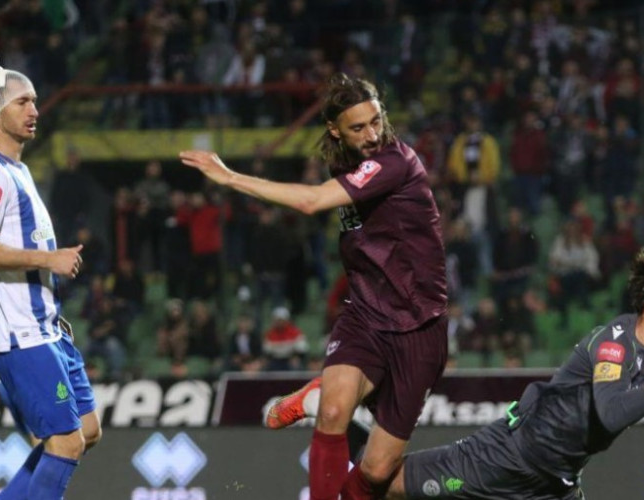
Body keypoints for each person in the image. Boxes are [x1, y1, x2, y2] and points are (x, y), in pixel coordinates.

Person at [179, 72, 448, 500]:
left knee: (376, 474)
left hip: (419, 326)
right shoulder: (343, 162)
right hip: (366, 315)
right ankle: (324, 399)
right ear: (334, 130)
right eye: (358, 128)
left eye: (376, 121)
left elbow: (311, 202)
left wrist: (230, 178)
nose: (372, 134)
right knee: (335, 413)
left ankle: (318, 399)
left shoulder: (395, 162)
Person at [333, 241, 644, 499]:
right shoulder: (614, 341)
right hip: (506, 457)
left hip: (553, 485)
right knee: (384, 481)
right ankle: (333, 412)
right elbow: (611, 413)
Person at [0, 56, 100, 500]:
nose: (35, 111)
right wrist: (48, 260)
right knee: (65, 442)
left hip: (46, 328)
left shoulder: (18, 171)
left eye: (36, 102)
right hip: (19, 334)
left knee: (88, 430)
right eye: (23, 102)